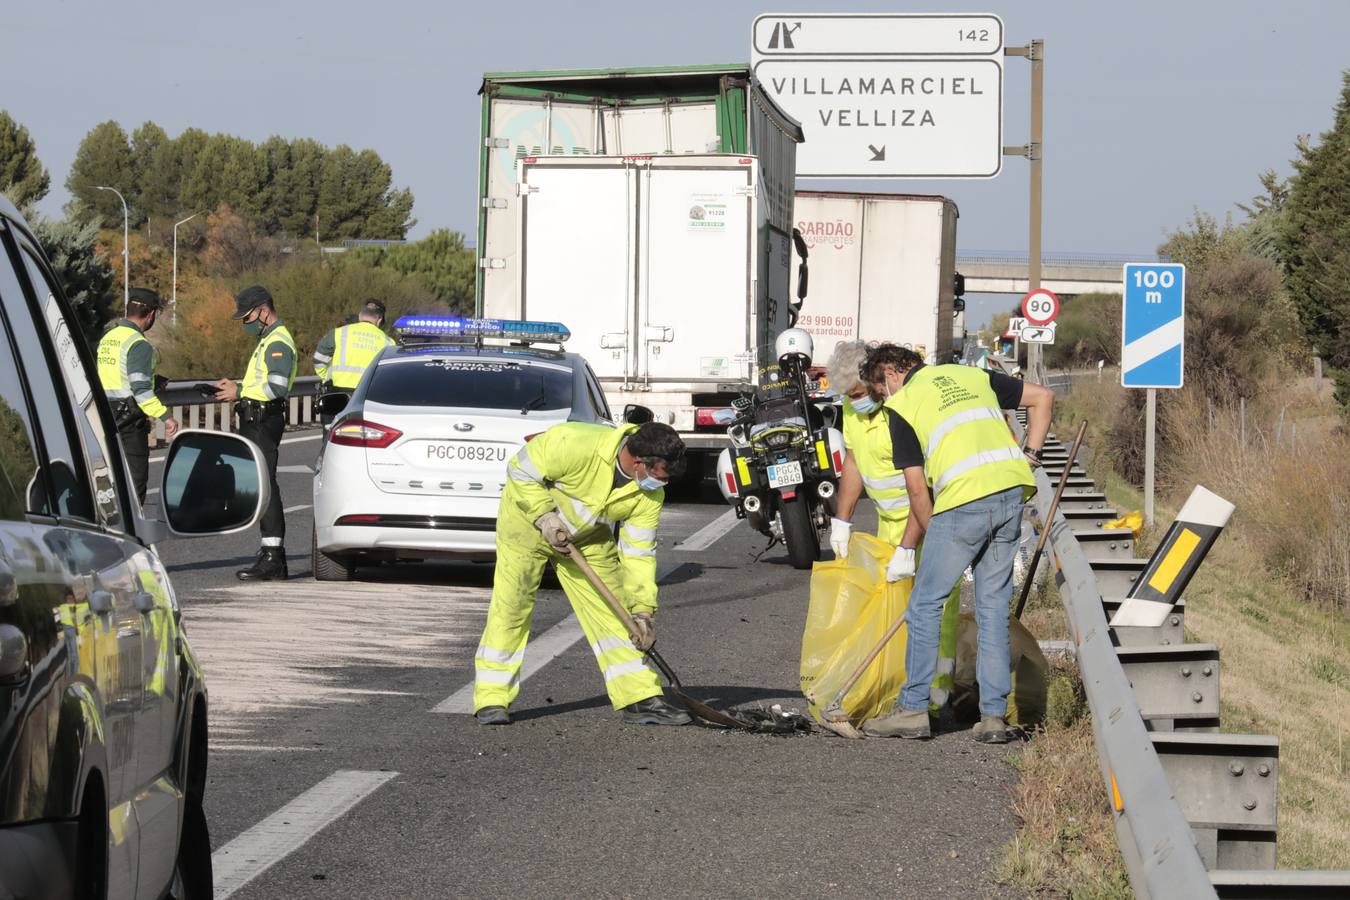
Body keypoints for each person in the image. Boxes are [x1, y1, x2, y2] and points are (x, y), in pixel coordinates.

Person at [859, 344, 1053, 743]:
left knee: (926, 604)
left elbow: (917, 492)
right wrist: (1030, 455)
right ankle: (994, 717)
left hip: (962, 501)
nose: (884, 399)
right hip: (1011, 492)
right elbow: (1043, 397)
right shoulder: (970, 375)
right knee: (993, 609)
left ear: (891, 375)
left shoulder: (903, 406)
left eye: (881, 391)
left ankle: (912, 709)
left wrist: (935, 544)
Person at [473, 420, 691, 727]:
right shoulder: (573, 441)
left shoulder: (649, 495)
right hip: (527, 527)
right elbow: (519, 470)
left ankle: (638, 697)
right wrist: (543, 516)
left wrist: (642, 611)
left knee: (616, 613)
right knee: (512, 607)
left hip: (586, 538)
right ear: (639, 462)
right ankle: (492, 697)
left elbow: (638, 554)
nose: (662, 484)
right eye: (660, 477)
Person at [824, 341, 961, 711]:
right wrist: (842, 518)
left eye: (858, 394)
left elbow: (922, 489)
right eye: (848, 397)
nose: (854, 402)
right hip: (888, 522)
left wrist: (907, 548)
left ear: (875, 383)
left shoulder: (905, 408)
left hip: (926, 519)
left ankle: (937, 690)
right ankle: (900, 684)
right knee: (892, 607)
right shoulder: (853, 410)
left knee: (935, 606)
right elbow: (853, 459)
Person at [214, 285, 297, 582]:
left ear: (263, 310)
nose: (245, 324)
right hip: (255, 417)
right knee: (262, 484)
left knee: (266, 485)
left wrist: (241, 391)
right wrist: (237, 387)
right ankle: (271, 554)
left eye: (247, 317)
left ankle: (274, 557)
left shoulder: (278, 342)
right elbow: (261, 383)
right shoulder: (267, 340)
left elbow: (276, 388)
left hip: (263, 420)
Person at [96, 287, 179, 503]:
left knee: (110, 487)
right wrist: (165, 416)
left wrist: (153, 380)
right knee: (134, 486)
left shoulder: (108, 338)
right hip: (129, 423)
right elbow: (141, 391)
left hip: (104, 418)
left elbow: (115, 376)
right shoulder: (138, 343)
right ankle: (131, 534)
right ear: (151, 314)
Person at [312, 299, 393, 398]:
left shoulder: (339, 333)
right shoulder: (388, 342)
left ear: (359, 316)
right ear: (380, 321)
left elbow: (319, 358)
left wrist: (326, 377)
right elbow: (391, 374)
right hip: (369, 396)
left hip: (338, 393)